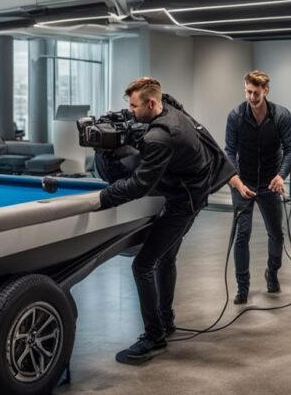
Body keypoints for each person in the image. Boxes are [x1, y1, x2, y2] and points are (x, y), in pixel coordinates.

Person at [99, 77, 234, 364]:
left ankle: (154, 337)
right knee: (165, 258)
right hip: (192, 189)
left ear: (151, 104)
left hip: (183, 203)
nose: (131, 111)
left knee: (143, 264)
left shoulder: (161, 136)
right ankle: (165, 320)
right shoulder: (172, 107)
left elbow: (139, 185)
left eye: (135, 106)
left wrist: (103, 198)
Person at [224, 70, 291, 304]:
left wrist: (280, 175)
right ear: (244, 88)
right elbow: (229, 151)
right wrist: (235, 180)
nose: (252, 97)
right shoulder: (235, 116)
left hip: (269, 183)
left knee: (276, 233)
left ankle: (272, 273)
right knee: (242, 235)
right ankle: (242, 287)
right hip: (242, 183)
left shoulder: (281, 116)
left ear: (266, 91)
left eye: (256, 92)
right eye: (248, 92)